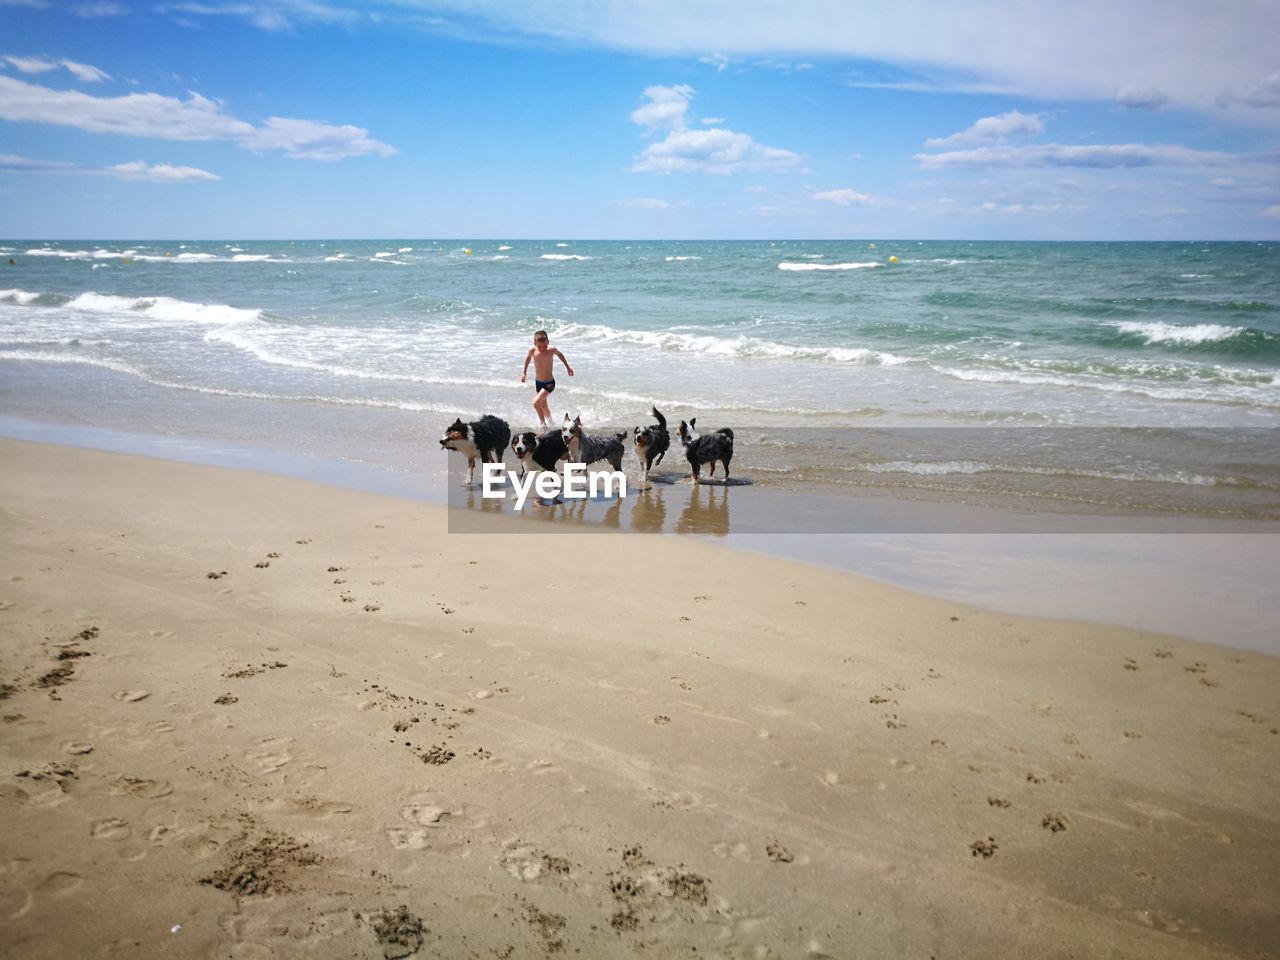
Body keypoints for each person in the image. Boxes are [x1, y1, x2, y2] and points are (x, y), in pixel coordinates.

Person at [520, 330, 573, 428]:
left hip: (549, 383)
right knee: (543, 406)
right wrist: (524, 372)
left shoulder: (552, 350)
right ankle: (552, 423)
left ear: (548, 342)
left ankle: (543, 425)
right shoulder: (532, 350)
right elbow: (527, 359)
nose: (542, 348)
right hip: (538, 383)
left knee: (535, 403)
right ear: (535, 344)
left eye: (544, 346)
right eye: (539, 346)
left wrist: (568, 367)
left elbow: (560, 355)